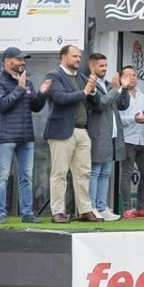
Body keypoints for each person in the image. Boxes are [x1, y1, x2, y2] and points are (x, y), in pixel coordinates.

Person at [0, 47, 50, 224]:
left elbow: (35, 107)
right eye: (19, 59)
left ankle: (27, 214)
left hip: (26, 137)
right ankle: (0, 214)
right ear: (8, 61)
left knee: (26, 177)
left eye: (24, 60)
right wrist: (20, 88)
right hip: (5, 137)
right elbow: (2, 105)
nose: (23, 62)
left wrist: (43, 93)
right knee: (2, 175)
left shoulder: (28, 82)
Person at [44, 45, 99, 223]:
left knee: (83, 173)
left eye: (79, 56)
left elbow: (95, 102)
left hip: (82, 130)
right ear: (63, 57)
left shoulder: (82, 77)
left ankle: (84, 210)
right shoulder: (54, 76)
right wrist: (85, 91)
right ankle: (58, 212)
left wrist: (93, 89)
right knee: (59, 173)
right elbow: (60, 98)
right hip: (62, 131)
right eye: (74, 56)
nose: (78, 59)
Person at [85, 53, 132, 222]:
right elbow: (100, 103)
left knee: (106, 172)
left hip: (112, 135)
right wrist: (117, 88)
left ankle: (102, 206)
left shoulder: (107, 84)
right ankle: (91, 207)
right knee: (95, 171)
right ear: (92, 67)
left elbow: (123, 105)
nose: (104, 69)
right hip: (97, 134)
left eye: (106, 66)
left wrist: (124, 89)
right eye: (101, 66)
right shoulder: (90, 85)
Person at [119, 65, 144, 218]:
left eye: (134, 75)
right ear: (122, 79)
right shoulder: (119, 95)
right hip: (127, 139)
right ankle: (127, 208)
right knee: (126, 173)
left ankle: (141, 206)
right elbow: (117, 119)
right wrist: (133, 119)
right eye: (128, 75)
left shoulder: (142, 96)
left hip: (142, 140)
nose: (132, 78)